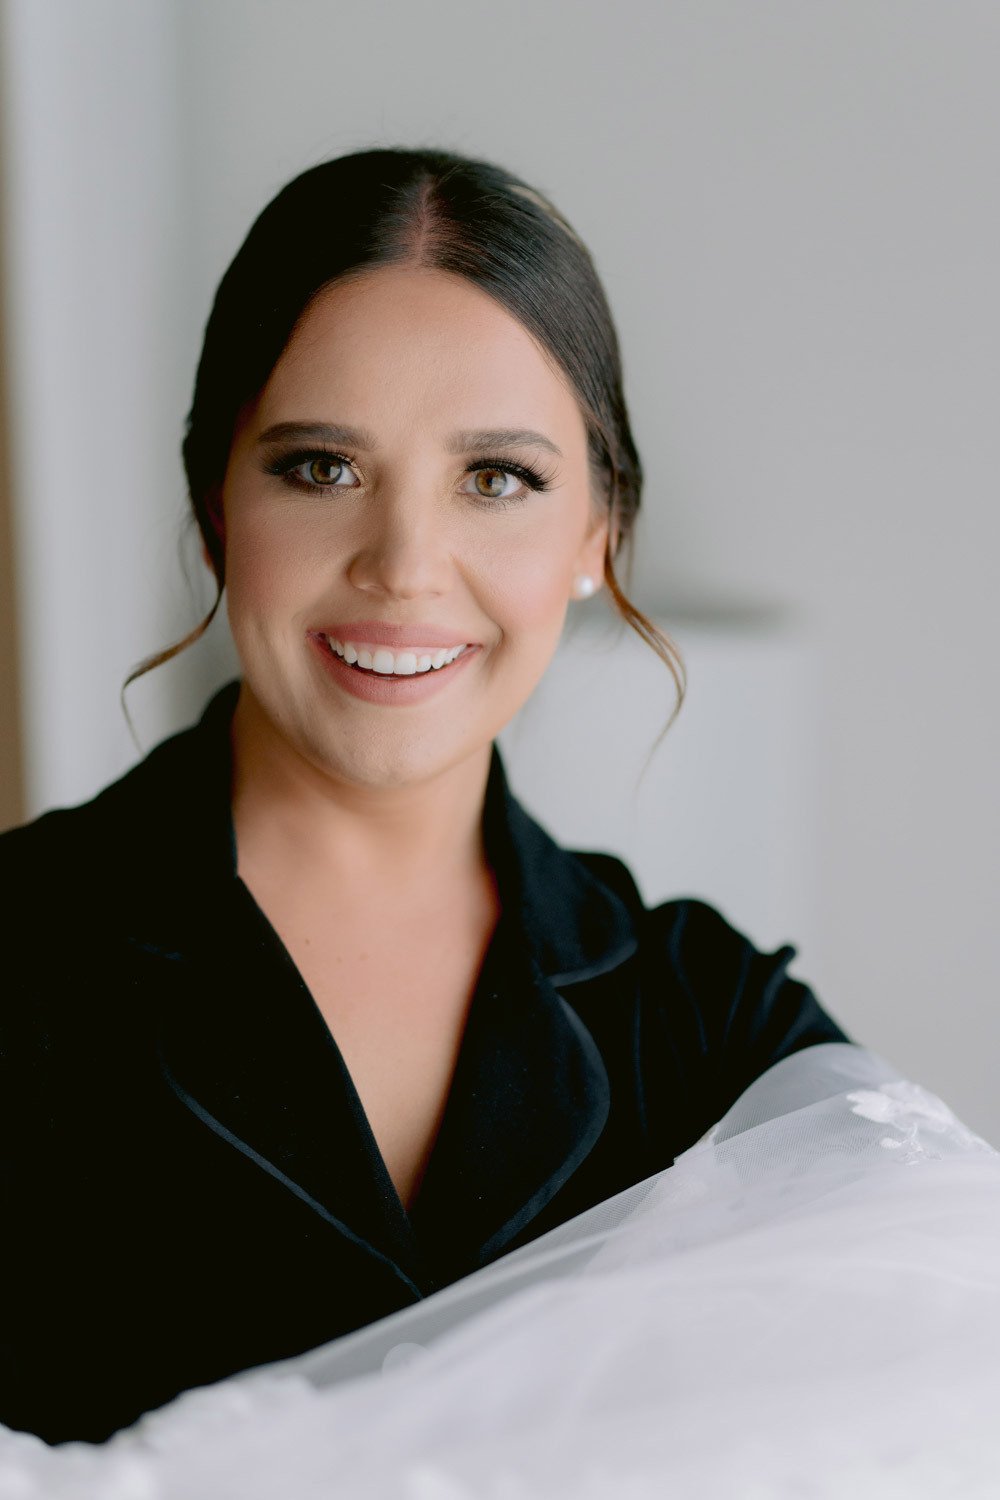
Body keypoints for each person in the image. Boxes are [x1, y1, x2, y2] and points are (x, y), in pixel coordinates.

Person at [0, 147, 850, 1447]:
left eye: (496, 477)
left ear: (597, 534)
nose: (404, 565)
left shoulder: (713, 1025)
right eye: (321, 467)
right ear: (216, 501)